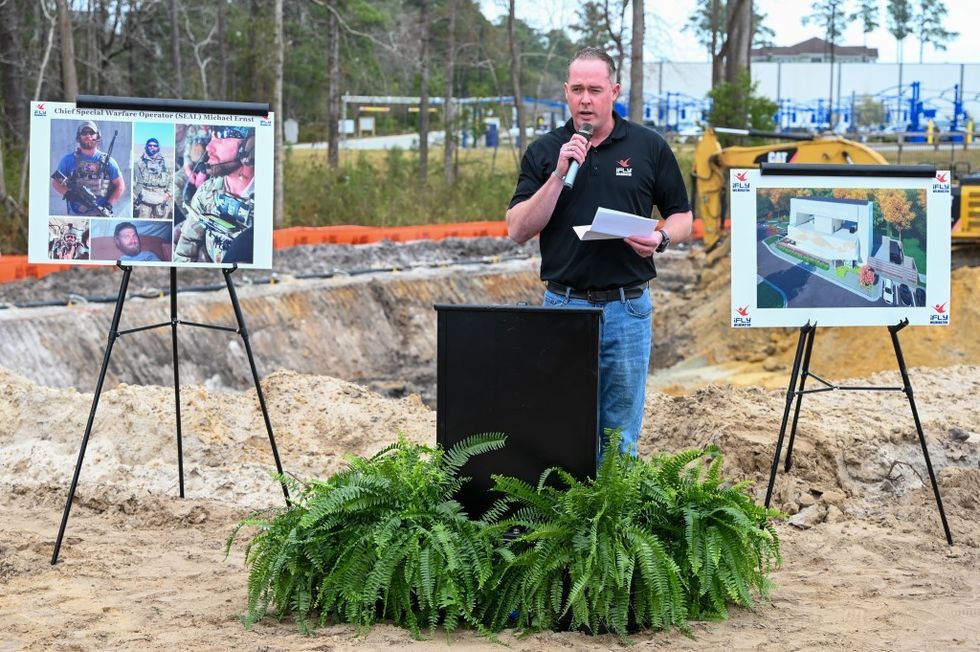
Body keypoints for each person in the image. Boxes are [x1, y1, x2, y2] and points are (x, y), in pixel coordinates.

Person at [506, 47, 693, 456]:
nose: (585, 100)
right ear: (565, 93)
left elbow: (683, 215)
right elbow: (518, 229)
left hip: (627, 308)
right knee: (561, 426)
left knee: (619, 434)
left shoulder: (648, 146)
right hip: (563, 306)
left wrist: (661, 238)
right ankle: (569, 499)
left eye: (594, 89)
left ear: (614, 91)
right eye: (577, 90)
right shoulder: (545, 152)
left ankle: (612, 499)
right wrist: (559, 174)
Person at [172, 126, 255, 264]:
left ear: (249, 146)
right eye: (212, 137)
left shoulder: (265, 202)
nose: (209, 147)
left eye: (221, 137)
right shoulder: (207, 191)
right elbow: (187, 242)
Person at [51, 121, 125, 216]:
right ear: (79, 137)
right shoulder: (68, 160)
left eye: (91, 132)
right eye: (84, 133)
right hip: (75, 214)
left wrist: (108, 206)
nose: (88, 135)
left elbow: (120, 186)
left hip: (100, 214)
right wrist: (68, 194)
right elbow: (56, 182)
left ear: (97, 136)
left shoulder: (108, 161)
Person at [134, 137, 172, 219]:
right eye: (150, 145)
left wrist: (168, 194)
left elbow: (171, 180)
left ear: (158, 148)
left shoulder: (165, 163)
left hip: (161, 197)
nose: (152, 147)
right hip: (145, 197)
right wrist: (136, 196)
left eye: (155, 146)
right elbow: (135, 182)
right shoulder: (139, 163)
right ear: (146, 147)